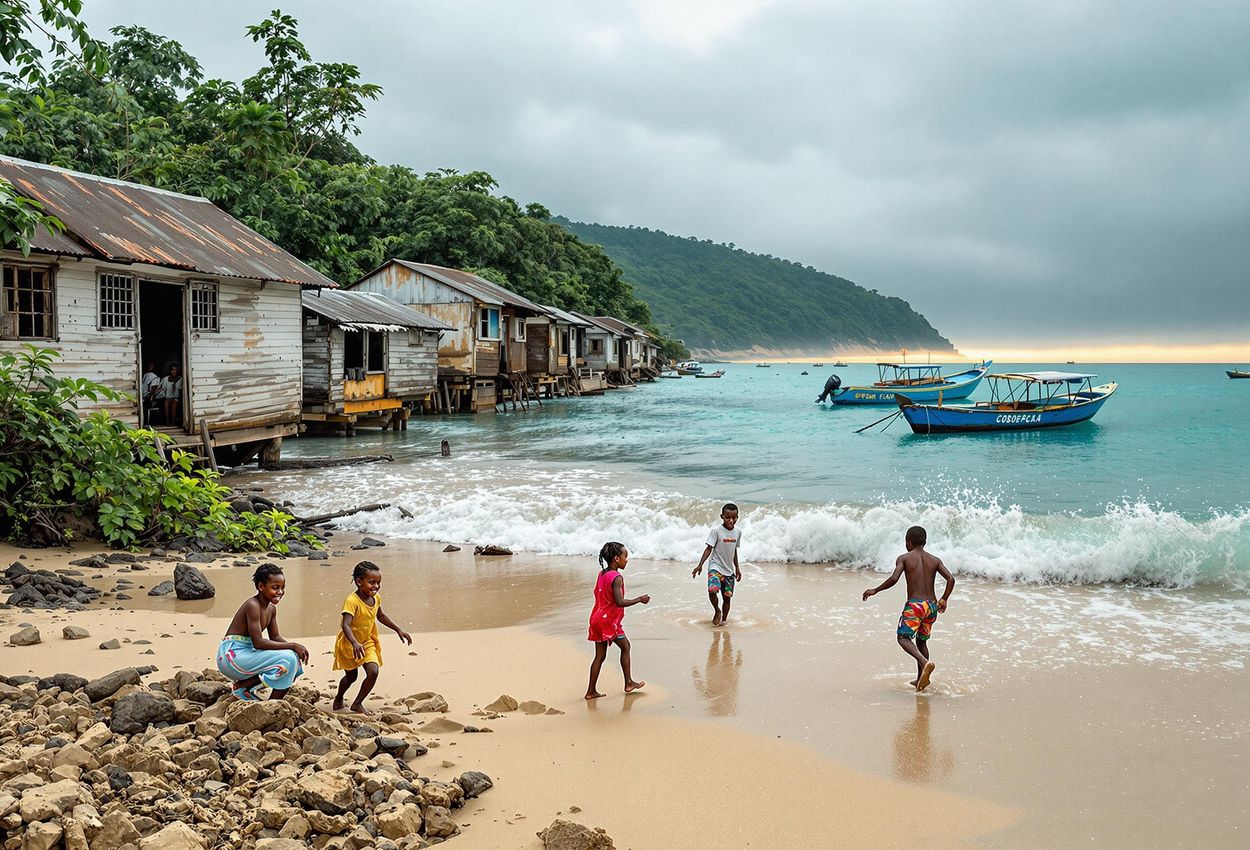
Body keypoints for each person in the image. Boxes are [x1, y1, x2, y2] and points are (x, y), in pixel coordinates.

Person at [862, 525, 955, 691]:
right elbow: (950, 579)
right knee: (922, 641)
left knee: (903, 638)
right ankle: (921, 680)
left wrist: (875, 590)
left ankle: (924, 662)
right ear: (924, 542)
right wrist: (944, 599)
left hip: (915, 606)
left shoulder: (904, 558)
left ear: (908, 542)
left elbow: (894, 578)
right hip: (931, 606)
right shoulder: (935, 560)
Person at [216, 564, 309, 701]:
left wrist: (297, 648)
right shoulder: (253, 605)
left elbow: (275, 637)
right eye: (275, 588)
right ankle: (251, 692)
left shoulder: (271, 609)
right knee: (287, 658)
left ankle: (268, 700)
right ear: (261, 587)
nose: (280, 592)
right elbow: (258, 643)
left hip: (247, 653)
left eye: (283, 587)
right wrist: (293, 645)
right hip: (232, 656)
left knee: (294, 658)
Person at [333, 561, 412, 714]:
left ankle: (357, 703)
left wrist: (398, 630)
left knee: (373, 671)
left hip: (367, 641)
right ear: (358, 582)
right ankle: (339, 696)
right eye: (371, 582)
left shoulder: (376, 598)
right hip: (350, 643)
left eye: (378, 583)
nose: (376, 586)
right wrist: (355, 643)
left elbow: (380, 616)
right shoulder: (352, 601)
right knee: (351, 677)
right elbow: (346, 625)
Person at [586, 541, 650, 699]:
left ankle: (591, 691)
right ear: (616, 558)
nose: (626, 559)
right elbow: (619, 602)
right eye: (625, 556)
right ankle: (628, 683)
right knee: (625, 646)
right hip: (608, 622)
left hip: (596, 618)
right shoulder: (617, 578)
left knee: (599, 657)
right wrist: (639, 599)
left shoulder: (602, 574)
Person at [692, 503, 742, 625]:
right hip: (715, 567)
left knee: (727, 597)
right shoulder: (716, 531)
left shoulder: (738, 532)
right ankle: (717, 610)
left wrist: (737, 568)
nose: (731, 520)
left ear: (737, 517)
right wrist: (700, 565)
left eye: (734, 517)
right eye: (728, 517)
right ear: (722, 516)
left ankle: (724, 621)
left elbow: (734, 550)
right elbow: (709, 548)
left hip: (729, 570)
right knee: (712, 590)